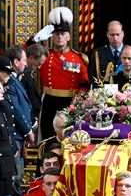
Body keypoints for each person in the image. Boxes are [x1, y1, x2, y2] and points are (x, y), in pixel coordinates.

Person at [29, 7, 89, 139]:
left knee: (70, 137)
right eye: (56, 34)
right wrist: (35, 39)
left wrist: (79, 98)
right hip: (49, 101)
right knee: (48, 137)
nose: (59, 37)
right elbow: (22, 56)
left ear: (68, 36)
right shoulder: (44, 55)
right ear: (52, 36)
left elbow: (84, 84)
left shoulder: (79, 58)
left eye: (62, 33)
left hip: (70, 102)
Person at [88, 21, 131, 85]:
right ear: (107, 35)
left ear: (123, 34)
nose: (115, 38)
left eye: (118, 34)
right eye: (112, 35)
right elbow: (92, 78)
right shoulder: (98, 54)